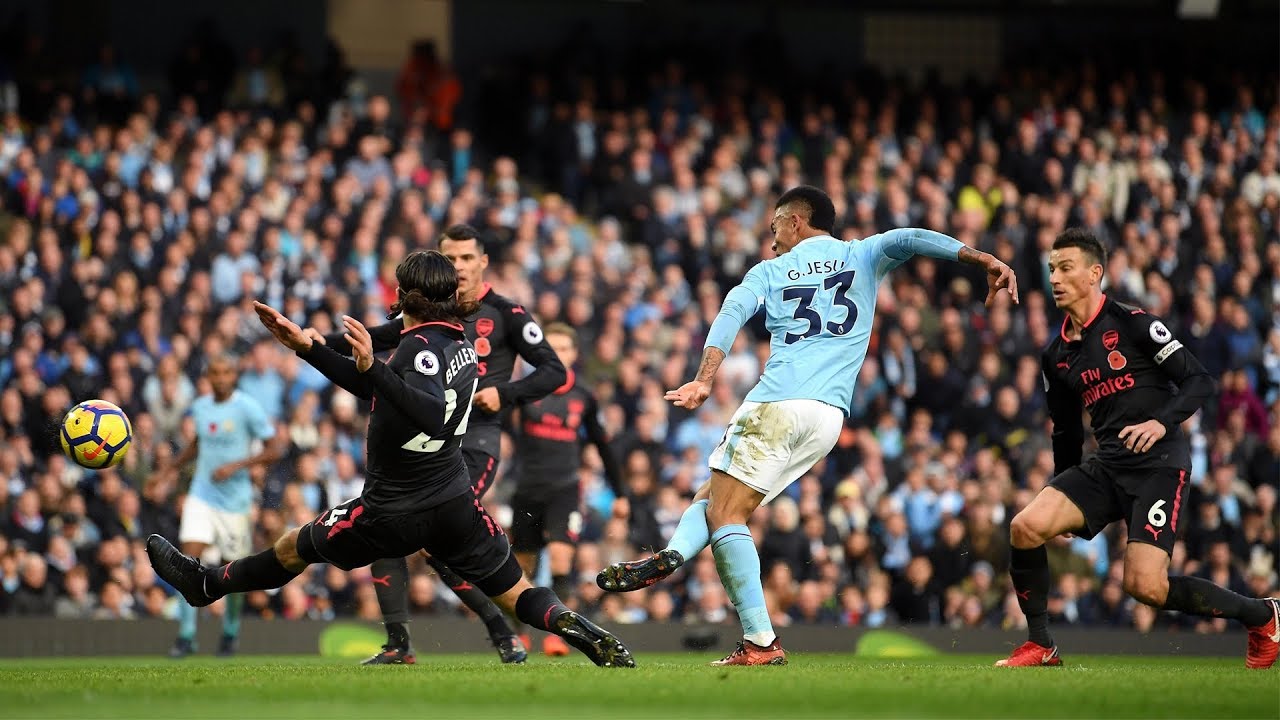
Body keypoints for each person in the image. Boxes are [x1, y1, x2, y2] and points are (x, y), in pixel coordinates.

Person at [146, 251, 634, 669]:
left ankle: (205, 584)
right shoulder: (458, 343)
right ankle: (574, 626)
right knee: (516, 591)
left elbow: (421, 409)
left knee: (295, 546)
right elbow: (377, 386)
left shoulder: (417, 349)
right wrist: (309, 348)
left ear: (408, 296)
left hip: (394, 508)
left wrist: (371, 367)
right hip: (454, 502)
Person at [597, 185, 1019, 665]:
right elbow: (914, 237)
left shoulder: (771, 270)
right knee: (715, 502)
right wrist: (978, 257)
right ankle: (673, 554)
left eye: (775, 223)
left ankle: (759, 641)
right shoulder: (864, 254)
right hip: (828, 418)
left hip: (777, 404)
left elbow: (731, 311)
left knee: (726, 516)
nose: (771, 234)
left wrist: (703, 379)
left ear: (796, 221)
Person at [997, 228, 1279, 669]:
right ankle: (1041, 644)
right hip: (1108, 465)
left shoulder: (1134, 323)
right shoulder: (1056, 356)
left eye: (1065, 268)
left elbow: (1200, 381)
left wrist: (1159, 422)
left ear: (1095, 274)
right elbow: (1066, 431)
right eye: (1051, 269)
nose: (1055, 277)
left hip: (1159, 465)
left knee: (1146, 587)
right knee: (1025, 526)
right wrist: (1064, 489)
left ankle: (1263, 615)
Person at [310, 224, 566, 664]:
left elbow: (554, 371)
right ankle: (399, 644)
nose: (459, 267)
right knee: (385, 523)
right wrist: (313, 341)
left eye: (467, 258)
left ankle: (503, 633)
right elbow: (379, 336)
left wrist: (504, 394)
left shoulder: (506, 314)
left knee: (438, 537)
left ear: (483, 261)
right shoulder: (427, 312)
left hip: (476, 441)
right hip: (425, 440)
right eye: (450, 259)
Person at [509, 322, 627, 657]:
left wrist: (621, 494)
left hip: (565, 488)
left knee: (562, 559)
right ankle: (518, 636)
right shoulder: (525, 390)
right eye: (552, 347)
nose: (558, 354)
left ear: (574, 354)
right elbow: (498, 428)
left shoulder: (584, 396)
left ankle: (557, 636)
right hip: (529, 487)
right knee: (523, 566)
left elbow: (603, 446)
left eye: (564, 348)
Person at [156, 353, 284, 658]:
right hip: (202, 494)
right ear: (208, 377)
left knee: (233, 569)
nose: (222, 378)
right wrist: (165, 472)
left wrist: (237, 465)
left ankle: (230, 632)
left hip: (235, 504)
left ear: (234, 376)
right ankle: (186, 637)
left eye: (227, 372)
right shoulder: (200, 407)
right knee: (186, 561)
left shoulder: (247, 407)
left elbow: (275, 448)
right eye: (216, 373)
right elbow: (197, 445)